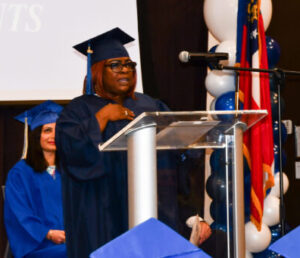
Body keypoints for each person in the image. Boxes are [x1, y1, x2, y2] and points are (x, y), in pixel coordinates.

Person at [55, 27, 212, 258]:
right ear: (97, 70)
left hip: (151, 213)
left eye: (129, 65)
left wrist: (186, 147)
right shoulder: (78, 110)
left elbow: (175, 160)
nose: (125, 70)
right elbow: (72, 154)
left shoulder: (151, 106)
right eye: (115, 65)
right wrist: (102, 118)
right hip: (102, 214)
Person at [4, 100, 67, 258]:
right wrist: (48, 233)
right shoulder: (20, 173)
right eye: (47, 130)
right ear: (36, 136)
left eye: (57, 130)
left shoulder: (71, 171)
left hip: (71, 240)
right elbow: (19, 213)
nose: (53, 136)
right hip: (38, 245)